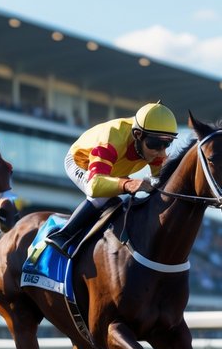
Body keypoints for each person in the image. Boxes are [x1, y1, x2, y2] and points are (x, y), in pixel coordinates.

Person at [44, 102, 177, 255]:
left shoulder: (152, 146)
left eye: (167, 144)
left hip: (113, 169)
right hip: (82, 162)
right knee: (102, 196)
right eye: (155, 144)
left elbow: (161, 182)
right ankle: (62, 236)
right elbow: (94, 185)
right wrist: (127, 184)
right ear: (138, 135)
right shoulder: (113, 137)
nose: (161, 152)